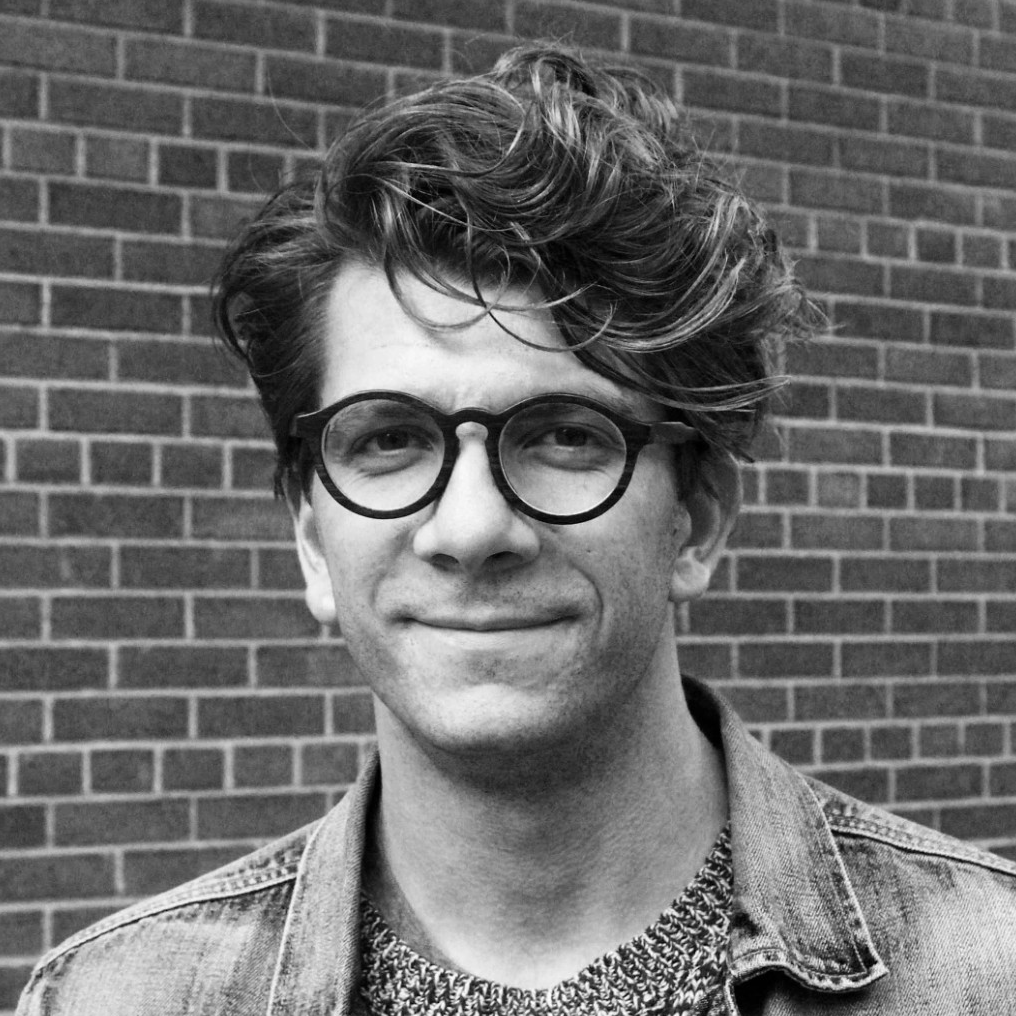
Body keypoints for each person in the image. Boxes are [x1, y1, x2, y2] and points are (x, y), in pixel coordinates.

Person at [17, 44, 1016, 1016]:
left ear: (698, 518)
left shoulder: (988, 969)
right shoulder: (112, 997)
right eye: (388, 439)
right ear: (313, 539)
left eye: (564, 436)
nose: (470, 526)